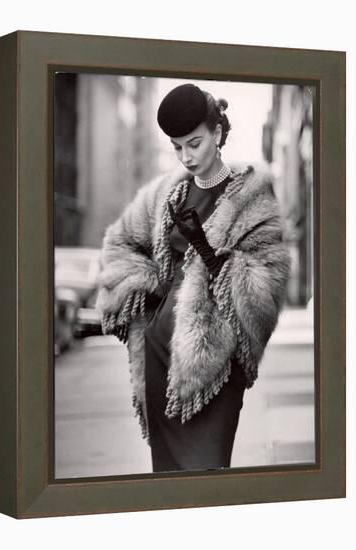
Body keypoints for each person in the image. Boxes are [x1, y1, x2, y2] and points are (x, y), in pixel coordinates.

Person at [96, 83, 290, 473]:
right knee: (168, 478)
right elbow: (118, 245)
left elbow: (267, 288)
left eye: (195, 143)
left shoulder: (253, 196)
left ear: (217, 134)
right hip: (158, 355)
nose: (186, 156)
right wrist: (146, 295)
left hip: (214, 367)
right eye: (177, 146)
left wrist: (204, 247)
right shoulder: (166, 194)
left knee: (209, 472)